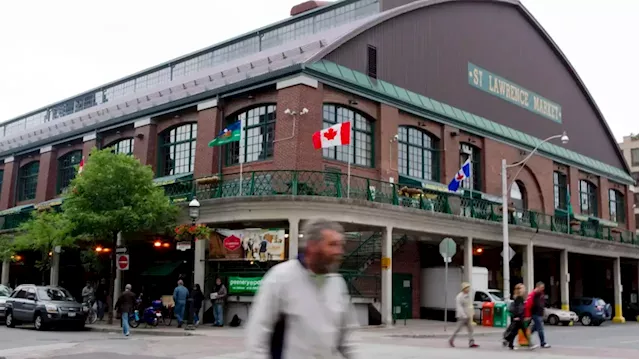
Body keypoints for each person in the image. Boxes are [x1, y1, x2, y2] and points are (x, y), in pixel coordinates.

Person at [245, 218, 358, 358]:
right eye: (332, 245)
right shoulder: (280, 277)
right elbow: (258, 336)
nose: (339, 251)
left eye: (341, 245)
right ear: (313, 245)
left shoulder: (338, 284)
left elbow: (347, 339)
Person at [448, 282, 479, 348]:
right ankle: (451, 339)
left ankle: (471, 342)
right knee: (458, 329)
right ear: (464, 289)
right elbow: (459, 307)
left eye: (469, 288)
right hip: (462, 316)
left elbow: (469, 305)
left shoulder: (468, 296)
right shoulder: (459, 296)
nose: (468, 289)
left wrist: (472, 313)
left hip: (468, 316)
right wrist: (463, 315)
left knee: (470, 329)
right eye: (467, 288)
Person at [525, 281, 550, 349]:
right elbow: (528, 305)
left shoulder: (541, 294)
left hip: (540, 313)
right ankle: (543, 343)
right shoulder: (533, 294)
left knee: (535, 328)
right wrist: (528, 315)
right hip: (535, 313)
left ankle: (526, 336)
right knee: (540, 328)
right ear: (537, 287)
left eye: (543, 287)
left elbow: (542, 303)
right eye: (541, 287)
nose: (543, 289)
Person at [503, 283, 528, 350]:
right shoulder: (519, 298)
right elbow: (518, 308)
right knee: (521, 330)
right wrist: (518, 316)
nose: (524, 289)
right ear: (520, 290)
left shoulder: (518, 297)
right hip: (518, 317)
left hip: (518, 317)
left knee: (515, 331)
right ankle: (530, 344)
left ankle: (509, 342)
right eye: (523, 288)